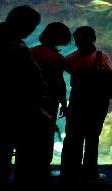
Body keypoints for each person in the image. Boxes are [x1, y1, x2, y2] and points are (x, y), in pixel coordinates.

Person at [0, 5, 51, 187]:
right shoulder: (19, 49)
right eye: (32, 27)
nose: (31, 31)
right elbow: (35, 82)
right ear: (25, 26)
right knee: (26, 170)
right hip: (21, 116)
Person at [62, 26, 112, 183]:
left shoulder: (70, 58)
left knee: (73, 138)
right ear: (93, 39)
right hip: (97, 103)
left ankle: (71, 173)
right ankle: (90, 173)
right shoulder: (102, 57)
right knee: (92, 139)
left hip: (77, 102)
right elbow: (110, 75)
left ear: (76, 40)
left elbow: (68, 72)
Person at [29, 22, 72, 174]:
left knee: (29, 137)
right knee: (45, 137)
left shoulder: (30, 52)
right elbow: (60, 84)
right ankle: (42, 171)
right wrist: (63, 104)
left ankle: (27, 171)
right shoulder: (57, 58)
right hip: (48, 103)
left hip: (28, 101)